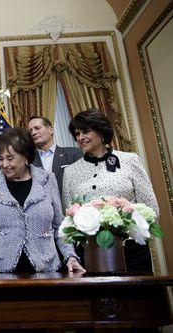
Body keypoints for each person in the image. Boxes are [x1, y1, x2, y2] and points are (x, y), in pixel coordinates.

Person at [0, 127, 85, 273]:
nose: (5, 164)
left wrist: (70, 256)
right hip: (2, 270)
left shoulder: (47, 179)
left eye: (10, 158)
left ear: (26, 157)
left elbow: (59, 225)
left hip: (47, 268)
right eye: (1, 159)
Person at [63, 108, 159, 272]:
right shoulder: (70, 171)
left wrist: (131, 229)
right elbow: (69, 213)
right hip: (90, 252)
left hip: (132, 251)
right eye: (77, 134)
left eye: (86, 131)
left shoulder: (130, 160)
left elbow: (151, 207)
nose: (80, 138)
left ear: (101, 132)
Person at [28, 116, 83, 196]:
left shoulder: (73, 153)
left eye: (37, 128)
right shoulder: (28, 161)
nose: (33, 133)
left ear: (51, 130)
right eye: (31, 131)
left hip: (71, 206)